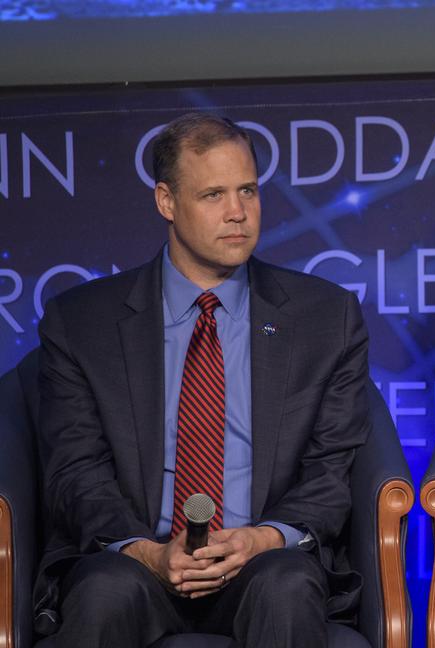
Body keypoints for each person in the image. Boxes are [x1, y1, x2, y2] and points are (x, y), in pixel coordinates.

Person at [35, 113, 371, 647]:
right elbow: (75, 472)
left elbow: (331, 472)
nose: (238, 213)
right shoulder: (81, 323)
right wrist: (148, 552)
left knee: (287, 584)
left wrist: (261, 539)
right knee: (102, 594)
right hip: (136, 561)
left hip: (260, 563)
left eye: (248, 191)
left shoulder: (325, 318)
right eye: (213, 194)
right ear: (166, 202)